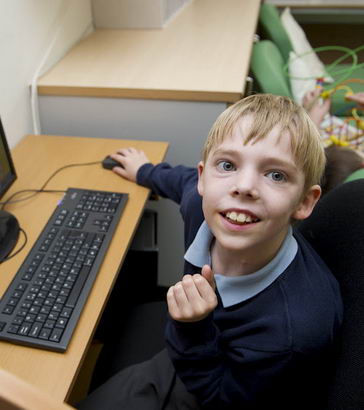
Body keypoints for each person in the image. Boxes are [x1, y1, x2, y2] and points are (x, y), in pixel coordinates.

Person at [79, 94, 343, 410]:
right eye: (228, 165)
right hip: (193, 343)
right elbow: (182, 182)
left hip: (217, 383)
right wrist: (145, 171)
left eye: (276, 174)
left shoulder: (293, 331)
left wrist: (192, 329)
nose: (243, 186)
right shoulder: (203, 206)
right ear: (205, 177)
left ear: (305, 202)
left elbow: (221, 397)